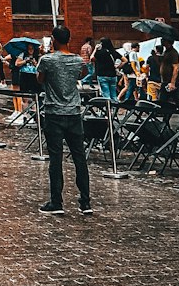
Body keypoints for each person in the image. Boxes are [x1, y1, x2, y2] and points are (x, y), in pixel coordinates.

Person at [37, 25, 92, 215]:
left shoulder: (47, 60)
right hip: (74, 112)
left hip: (53, 112)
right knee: (79, 158)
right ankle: (85, 202)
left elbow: (40, 79)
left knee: (56, 158)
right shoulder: (77, 60)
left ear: (53, 40)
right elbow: (83, 74)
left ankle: (56, 201)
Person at [92, 37, 119, 101]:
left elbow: (92, 58)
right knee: (114, 95)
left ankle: (108, 109)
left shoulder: (100, 52)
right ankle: (115, 108)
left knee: (106, 95)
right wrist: (118, 66)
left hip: (102, 75)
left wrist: (95, 49)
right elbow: (125, 60)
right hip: (113, 75)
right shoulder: (113, 52)